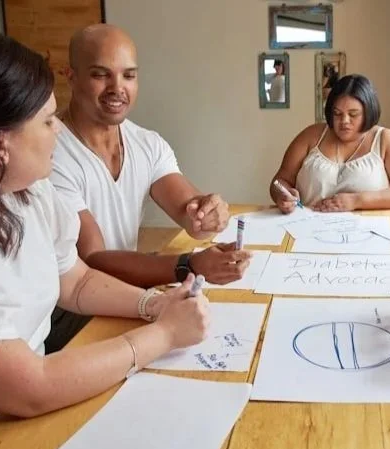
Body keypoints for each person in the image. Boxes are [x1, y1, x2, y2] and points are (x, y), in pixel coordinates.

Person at [0, 29, 210, 449]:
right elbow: (31, 388)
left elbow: (77, 279)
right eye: (48, 122)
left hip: (19, 423)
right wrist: (162, 334)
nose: (58, 134)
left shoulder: (26, 195)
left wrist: (155, 304)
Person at [48, 25, 250, 351]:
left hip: (126, 291)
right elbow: (93, 260)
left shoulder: (147, 143)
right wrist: (189, 263)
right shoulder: (49, 152)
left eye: (128, 76)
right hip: (69, 311)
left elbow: (190, 212)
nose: (118, 88)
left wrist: (208, 212)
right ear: (70, 76)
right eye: (101, 75)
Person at [271, 74, 390, 213]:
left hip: (369, 233)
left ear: (368, 111)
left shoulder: (386, 140)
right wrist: (282, 195)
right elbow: (280, 181)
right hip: (308, 228)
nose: (344, 121)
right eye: (337, 114)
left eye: (353, 114)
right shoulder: (311, 136)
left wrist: (357, 200)